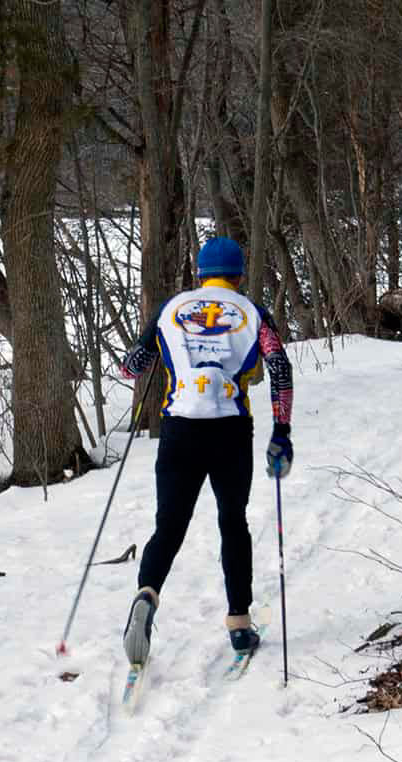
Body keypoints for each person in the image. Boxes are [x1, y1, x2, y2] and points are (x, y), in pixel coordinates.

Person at [119, 236, 294, 665]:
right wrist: (282, 432)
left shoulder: (172, 309)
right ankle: (238, 623)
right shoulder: (253, 312)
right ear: (238, 274)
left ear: (199, 272)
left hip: (179, 428)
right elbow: (279, 367)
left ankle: (147, 593)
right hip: (230, 430)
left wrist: (159, 359)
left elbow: (131, 365)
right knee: (232, 523)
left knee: (170, 526)